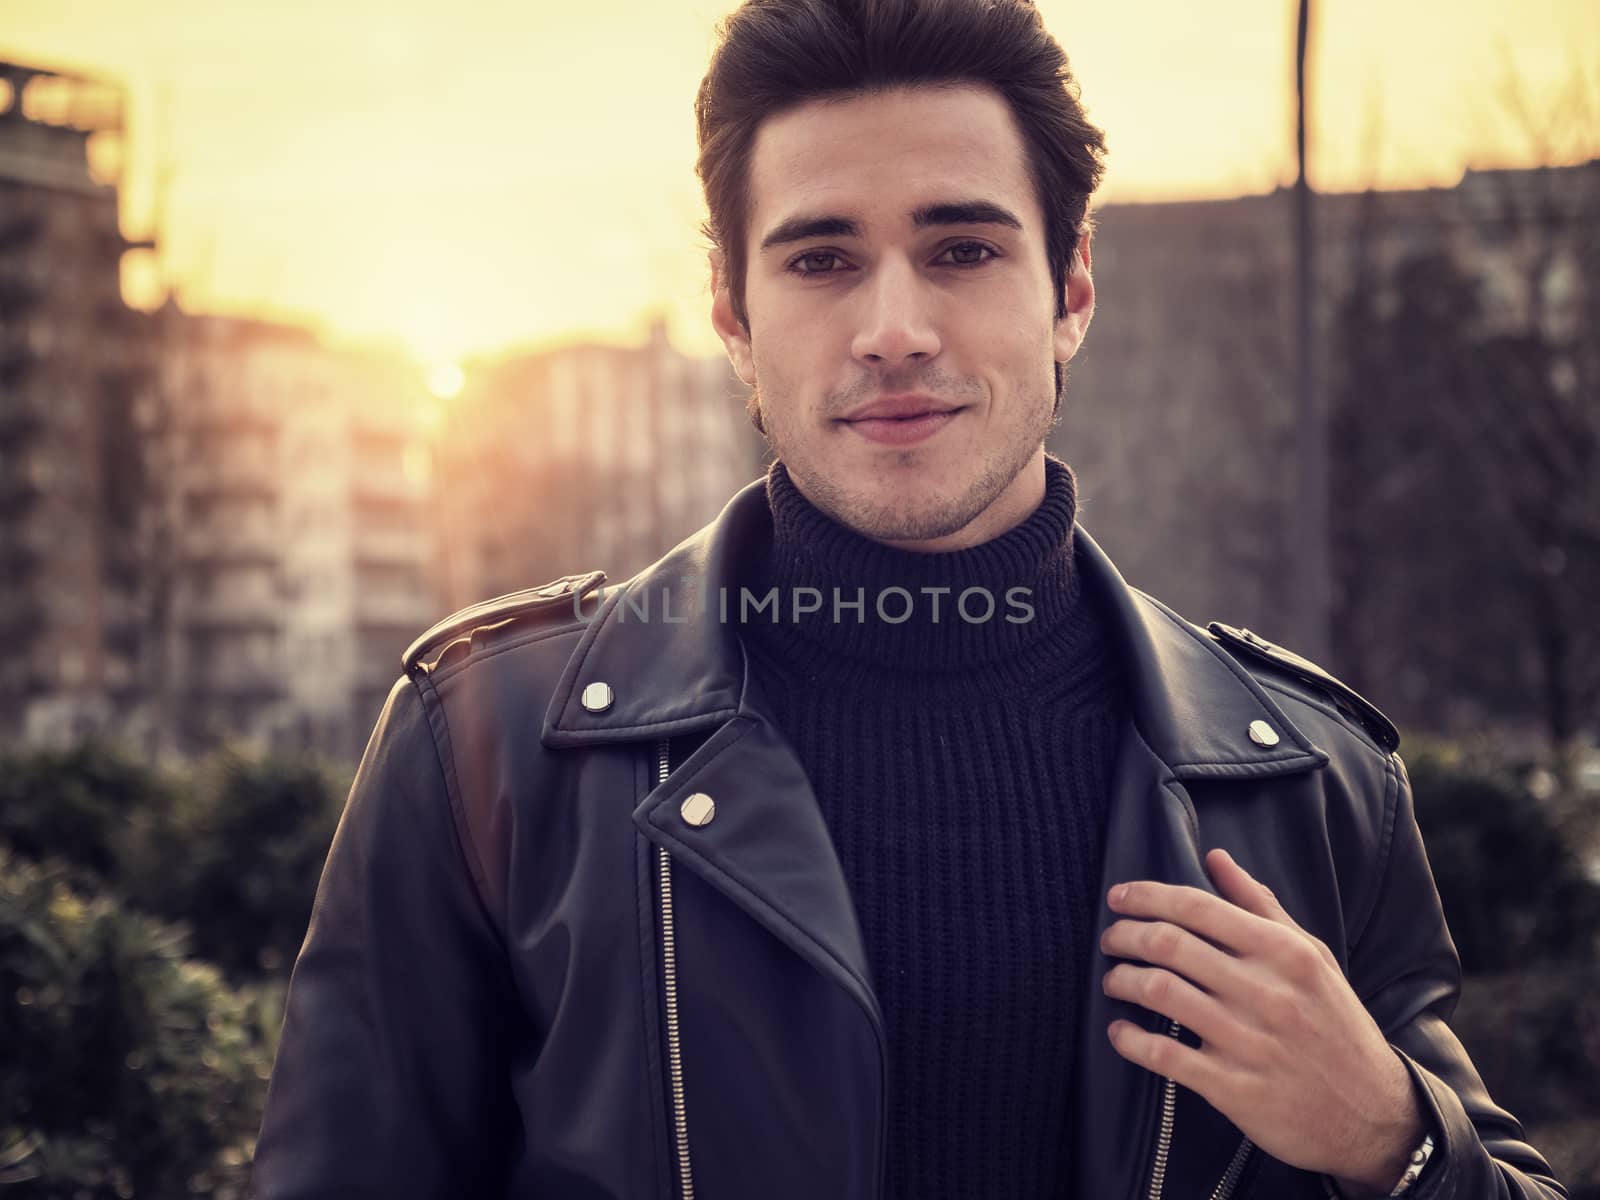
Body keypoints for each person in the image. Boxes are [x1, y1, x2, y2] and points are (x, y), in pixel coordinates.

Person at [253, 0, 1569, 1197]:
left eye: (961, 249)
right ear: (731, 311)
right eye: (821, 261)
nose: (894, 326)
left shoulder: (1311, 781)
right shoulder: (489, 750)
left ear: (1072, 291)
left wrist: (1392, 1138)